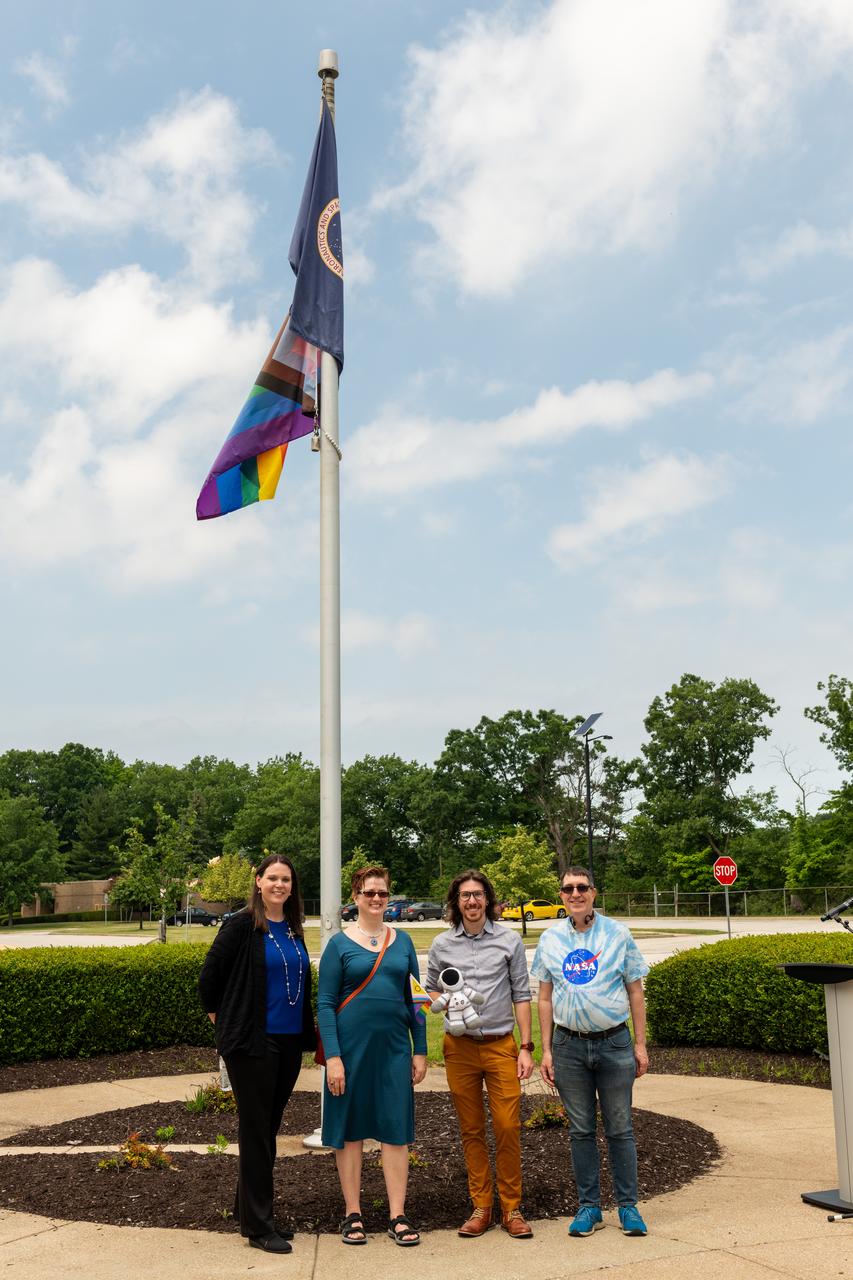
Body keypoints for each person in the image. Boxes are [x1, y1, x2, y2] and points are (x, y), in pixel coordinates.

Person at [198, 853, 316, 1255]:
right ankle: (258, 1227)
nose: (280, 885)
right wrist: (226, 1021)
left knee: (266, 1130)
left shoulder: (294, 928)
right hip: (251, 1043)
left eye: (286, 879)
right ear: (259, 881)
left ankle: (249, 1209)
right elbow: (208, 979)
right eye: (273, 878)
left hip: (287, 1042)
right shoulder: (240, 925)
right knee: (256, 1130)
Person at [532, 867, 650, 1239]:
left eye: (582, 887)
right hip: (568, 1047)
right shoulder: (550, 939)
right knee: (580, 1130)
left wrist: (640, 1044)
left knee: (620, 1128)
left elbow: (635, 991)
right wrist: (547, 1050)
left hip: (614, 1043)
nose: (575, 893)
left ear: (594, 893)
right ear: (561, 895)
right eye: (568, 888)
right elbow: (545, 997)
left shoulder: (618, 934)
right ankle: (589, 1208)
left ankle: (628, 1207)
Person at [318, 864, 428, 1246]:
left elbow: (416, 1000)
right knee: (349, 1131)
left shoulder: (403, 942)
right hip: (349, 1053)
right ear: (356, 897)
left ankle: (398, 1215)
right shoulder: (339, 945)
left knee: (395, 1131)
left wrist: (421, 1050)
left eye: (383, 893)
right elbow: (325, 1004)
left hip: (394, 1051)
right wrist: (333, 1057)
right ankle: (353, 1213)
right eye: (370, 893)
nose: (377, 899)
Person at [426, 869, 535, 1240]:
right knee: (471, 1129)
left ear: (488, 899)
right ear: (456, 903)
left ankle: (512, 1208)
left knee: (507, 1126)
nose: (472, 901)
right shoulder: (442, 945)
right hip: (460, 1049)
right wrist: (443, 1005)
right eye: (464, 896)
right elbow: (428, 993)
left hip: (501, 1045)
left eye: (477, 895)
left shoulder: (509, 941)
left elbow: (522, 993)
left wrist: (525, 1046)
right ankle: (481, 1207)